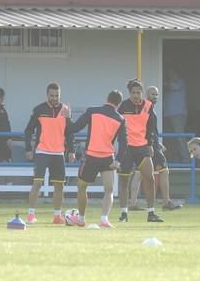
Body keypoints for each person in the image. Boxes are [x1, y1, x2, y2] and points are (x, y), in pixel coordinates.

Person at [64, 90, 127, 228]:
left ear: (106, 99)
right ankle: (104, 219)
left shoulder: (92, 111)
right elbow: (124, 143)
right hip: (108, 158)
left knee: (81, 187)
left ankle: (81, 218)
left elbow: (74, 128)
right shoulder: (121, 119)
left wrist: (67, 117)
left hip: (91, 156)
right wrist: (118, 160)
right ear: (119, 104)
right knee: (109, 190)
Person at [24, 82, 75, 225]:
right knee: (37, 183)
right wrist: (28, 148)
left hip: (59, 153)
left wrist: (71, 150)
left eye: (57, 95)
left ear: (60, 95)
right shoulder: (39, 109)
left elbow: (70, 132)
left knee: (59, 185)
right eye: (52, 95)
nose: (54, 98)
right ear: (47, 95)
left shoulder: (65, 110)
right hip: (42, 151)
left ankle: (57, 216)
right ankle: (30, 215)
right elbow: (28, 130)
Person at [128, 86, 182, 211]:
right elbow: (148, 129)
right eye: (152, 94)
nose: (155, 97)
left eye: (156, 94)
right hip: (149, 146)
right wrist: (154, 144)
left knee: (138, 173)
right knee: (164, 171)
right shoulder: (148, 108)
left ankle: (132, 203)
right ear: (146, 95)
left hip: (141, 144)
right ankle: (166, 202)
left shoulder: (142, 107)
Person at [117, 79, 164, 223]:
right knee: (124, 181)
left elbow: (151, 128)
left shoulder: (148, 106)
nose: (136, 95)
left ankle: (151, 213)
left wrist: (150, 144)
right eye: (133, 93)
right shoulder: (122, 107)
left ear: (142, 93)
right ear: (129, 93)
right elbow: (116, 126)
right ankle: (124, 214)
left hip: (142, 148)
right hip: (127, 149)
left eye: (138, 93)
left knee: (149, 179)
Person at [163, 68, 189, 162]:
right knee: (171, 139)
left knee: (179, 136)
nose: (170, 73)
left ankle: (186, 158)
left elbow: (174, 86)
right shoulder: (169, 83)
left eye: (172, 71)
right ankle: (174, 158)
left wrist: (165, 83)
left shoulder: (179, 81)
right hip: (167, 114)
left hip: (178, 114)